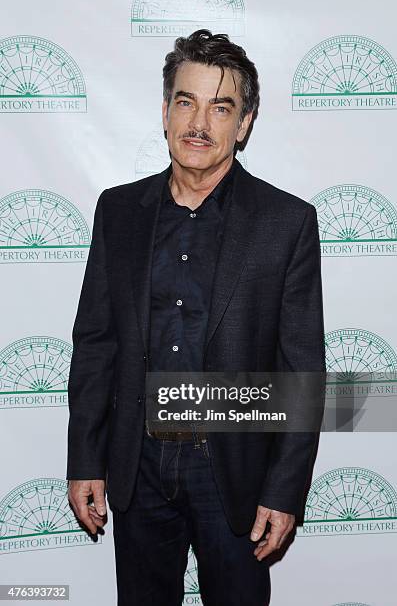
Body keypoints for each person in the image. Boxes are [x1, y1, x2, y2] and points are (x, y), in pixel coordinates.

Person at [67, 29, 325, 605]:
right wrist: (85, 458)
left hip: (233, 473)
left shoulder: (286, 223)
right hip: (138, 469)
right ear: (164, 111)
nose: (200, 123)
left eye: (221, 106)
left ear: (246, 122)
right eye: (186, 101)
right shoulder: (117, 212)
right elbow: (96, 344)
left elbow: (302, 370)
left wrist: (284, 492)